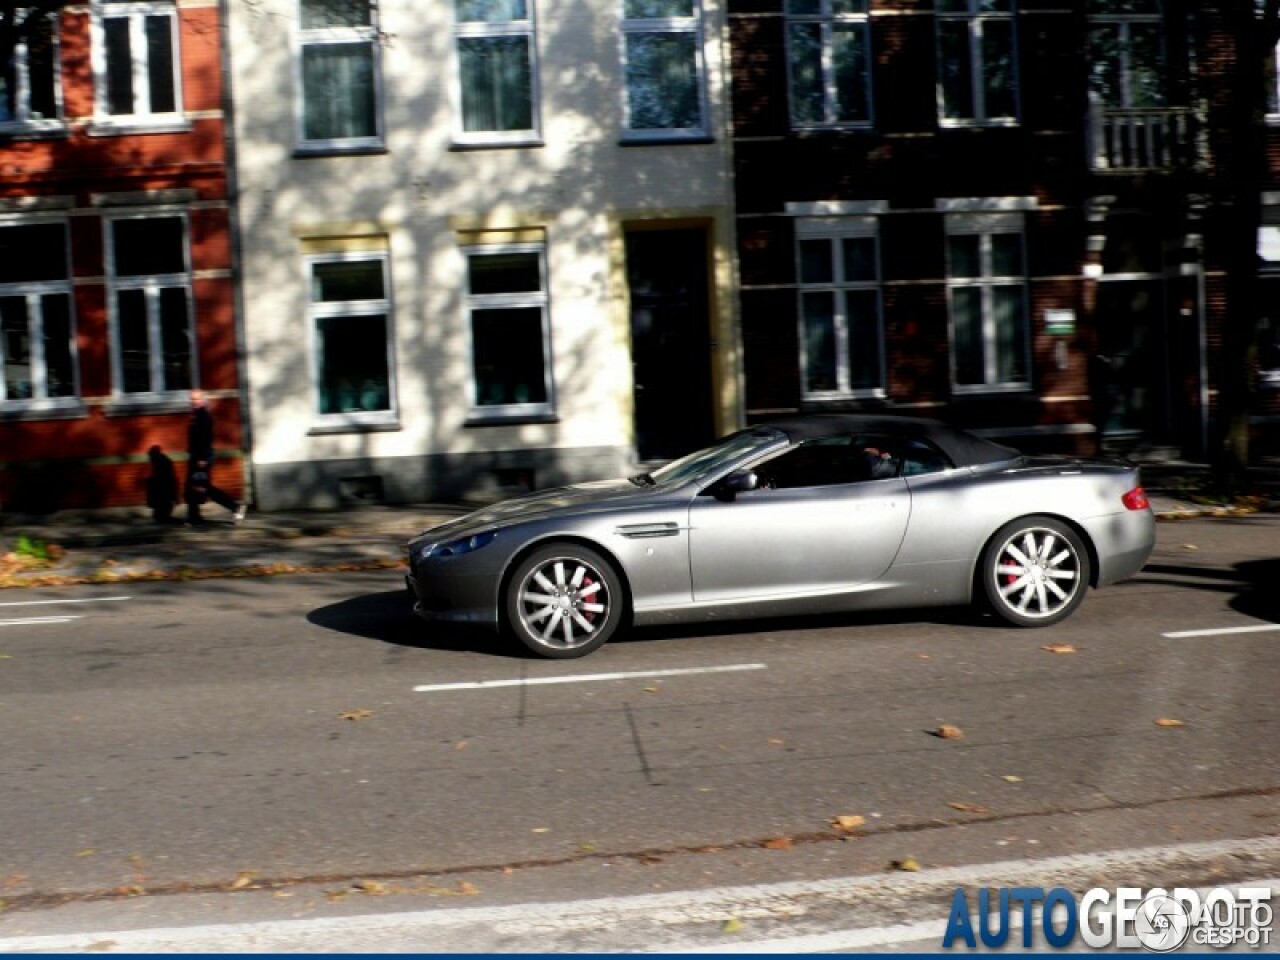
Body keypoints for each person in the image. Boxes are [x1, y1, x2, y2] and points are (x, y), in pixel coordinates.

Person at [186, 389, 246, 526]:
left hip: (202, 457)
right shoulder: (196, 415)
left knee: (202, 487)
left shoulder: (203, 416)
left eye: (195, 399)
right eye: (191, 400)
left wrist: (201, 458)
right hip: (197, 456)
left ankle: (235, 507)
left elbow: (205, 438)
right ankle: (193, 517)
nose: (193, 402)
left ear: (202, 400)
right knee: (194, 487)